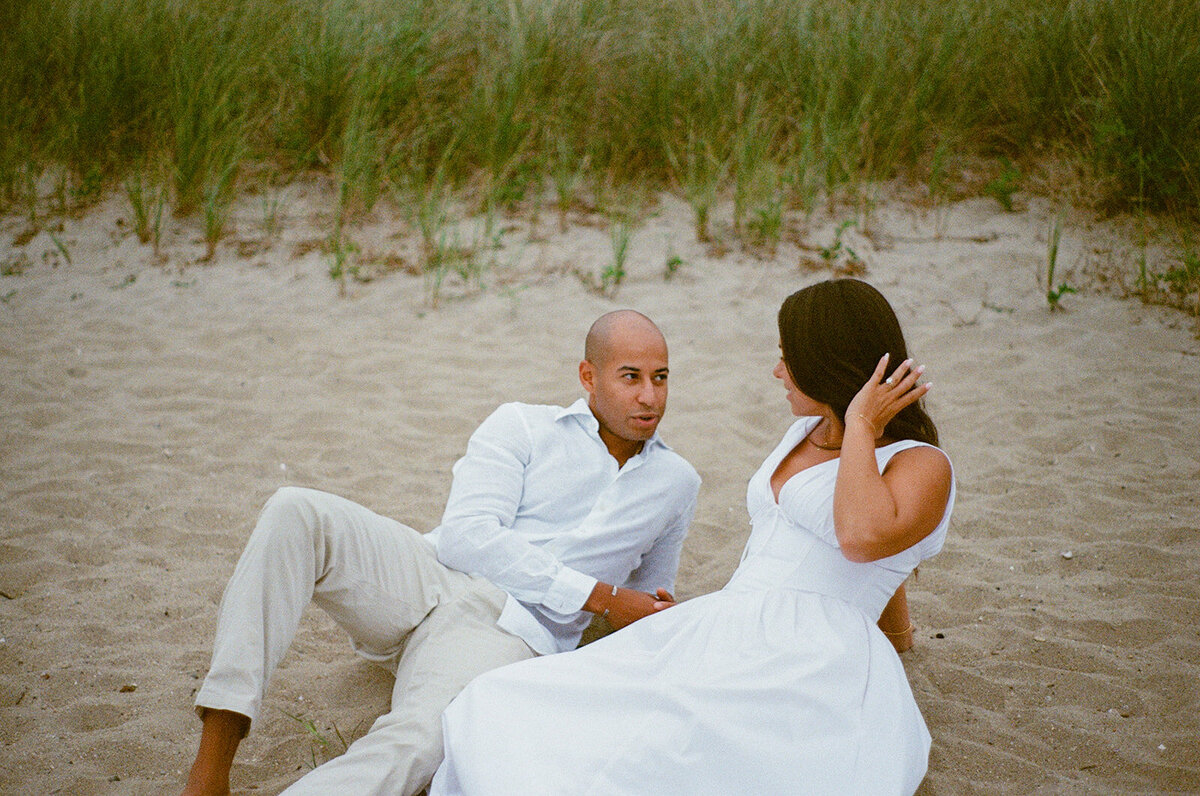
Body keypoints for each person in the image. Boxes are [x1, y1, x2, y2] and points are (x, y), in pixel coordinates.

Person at [430, 279, 956, 796]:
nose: (778, 371)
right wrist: (902, 635)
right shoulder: (806, 432)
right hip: (729, 619)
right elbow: (868, 555)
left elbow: (864, 539)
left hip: (813, 647)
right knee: (507, 702)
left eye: (787, 356)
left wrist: (862, 424)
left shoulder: (922, 464)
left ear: (827, 361)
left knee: (688, 754)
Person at [180, 310, 701, 796]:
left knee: (418, 742)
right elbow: (465, 536)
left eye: (661, 377)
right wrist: (600, 595)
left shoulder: (676, 482)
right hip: (429, 574)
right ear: (588, 376)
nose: (650, 397)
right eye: (630, 377)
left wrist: (641, 612)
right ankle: (213, 761)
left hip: (509, 629)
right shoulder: (522, 424)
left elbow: (646, 602)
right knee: (296, 510)